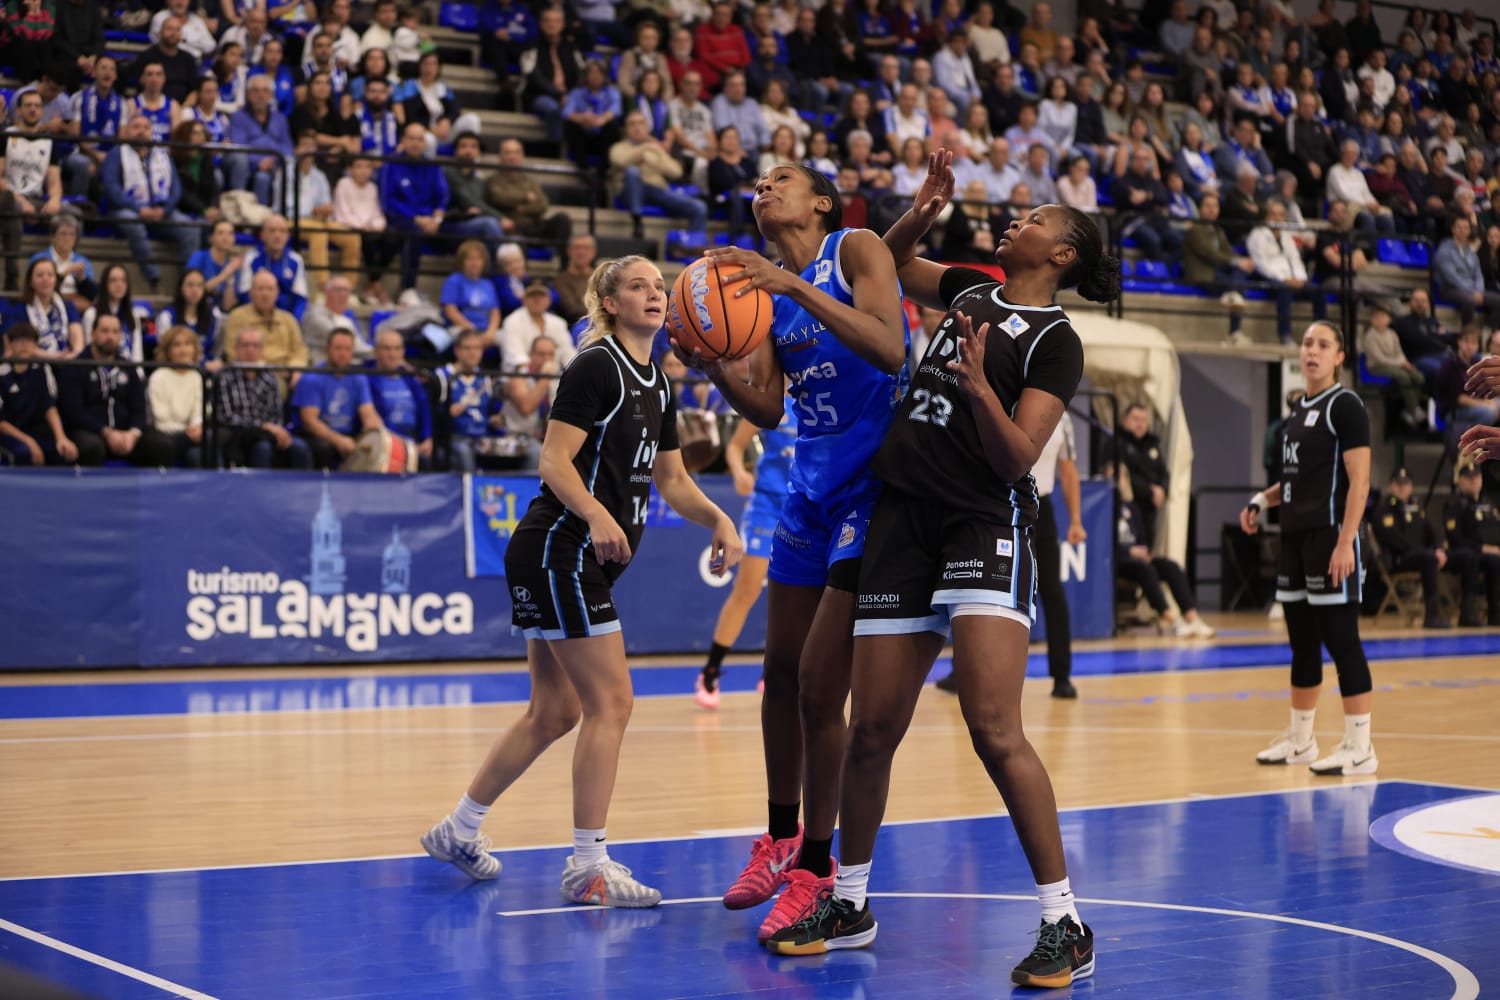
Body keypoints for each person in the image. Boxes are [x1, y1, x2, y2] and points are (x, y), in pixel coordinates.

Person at [763, 151, 1116, 989]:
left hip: (982, 521)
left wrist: (978, 390)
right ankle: (848, 901)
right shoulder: (968, 286)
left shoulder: (1056, 341)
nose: (1016, 222)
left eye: (1034, 220)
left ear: (1062, 254)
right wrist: (917, 215)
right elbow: (875, 271)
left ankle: (1065, 921)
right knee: (873, 727)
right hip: (901, 517)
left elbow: (1018, 454)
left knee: (994, 728)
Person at [420, 256, 742, 907]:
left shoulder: (659, 381)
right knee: (612, 704)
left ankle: (458, 829)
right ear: (610, 301)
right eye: (637, 286)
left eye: (659, 287)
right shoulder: (598, 365)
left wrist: (718, 518)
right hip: (559, 549)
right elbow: (553, 460)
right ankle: (588, 865)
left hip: (565, 556)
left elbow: (674, 480)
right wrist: (596, 513)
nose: (653, 294)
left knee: (555, 711)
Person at [680, 162, 908, 945]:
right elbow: (772, 406)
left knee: (819, 686)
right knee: (778, 674)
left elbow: (888, 347)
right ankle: (779, 840)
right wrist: (714, 367)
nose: (762, 188)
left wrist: (794, 285)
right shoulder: (762, 294)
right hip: (808, 487)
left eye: (781, 178)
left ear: (821, 200)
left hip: (875, 488)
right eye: (757, 184)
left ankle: (816, 866)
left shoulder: (856, 249)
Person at [1242, 320, 1376, 777]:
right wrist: (1263, 500)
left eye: (1323, 344)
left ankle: (1360, 746)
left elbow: (1360, 482)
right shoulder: (1297, 411)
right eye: (1306, 343)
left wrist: (1345, 543)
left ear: (1340, 356)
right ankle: (1301, 740)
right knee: (1302, 642)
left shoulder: (1346, 406)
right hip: (1295, 539)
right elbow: (1298, 479)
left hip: (1330, 537)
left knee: (1342, 639)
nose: (1312, 351)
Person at [934, 412, 1089, 697]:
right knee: (975, 586)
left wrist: (1077, 520)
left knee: (1051, 591)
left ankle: (1062, 676)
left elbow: (1068, 470)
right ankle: (961, 671)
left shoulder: (1061, 418)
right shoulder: (1003, 400)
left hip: (1038, 506)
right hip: (999, 503)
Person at [695, 401, 796, 708]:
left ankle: (777, 672)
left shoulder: (820, 398)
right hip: (767, 504)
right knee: (748, 589)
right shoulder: (774, 402)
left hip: (802, 507)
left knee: (796, 595)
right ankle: (710, 671)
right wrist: (739, 472)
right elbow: (736, 447)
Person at [101, 112, 201, 294]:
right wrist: (139, 209)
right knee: (132, 223)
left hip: (161, 212)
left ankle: (186, 283)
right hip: (128, 210)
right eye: (136, 127)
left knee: (191, 229)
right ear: (128, 131)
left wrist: (165, 210)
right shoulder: (116, 154)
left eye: (146, 128)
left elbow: (175, 189)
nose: (141, 132)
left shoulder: (163, 155)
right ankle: (154, 278)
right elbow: (111, 188)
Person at [58, 314, 175, 468]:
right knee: (91, 447)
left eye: (115, 332)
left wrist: (133, 434)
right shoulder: (76, 366)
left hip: (126, 435)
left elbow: (139, 409)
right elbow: (73, 412)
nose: (110, 336)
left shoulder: (129, 368)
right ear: (93, 334)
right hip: (91, 432)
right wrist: (106, 432)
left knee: (161, 445)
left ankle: (148, 491)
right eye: (105, 331)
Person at [216, 325, 313, 469]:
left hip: (269, 432)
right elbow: (227, 416)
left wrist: (275, 429)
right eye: (245, 345)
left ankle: (304, 491)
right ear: (236, 348)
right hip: (238, 434)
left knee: (300, 448)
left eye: (255, 346)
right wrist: (262, 426)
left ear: (261, 350)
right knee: (263, 447)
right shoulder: (225, 375)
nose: (250, 350)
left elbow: (276, 413)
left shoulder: (269, 376)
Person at [290, 327, 384, 468]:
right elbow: (309, 421)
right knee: (325, 449)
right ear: (327, 350)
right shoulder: (312, 378)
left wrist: (377, 433)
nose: (342, 354)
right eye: (338, 348)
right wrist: (338, 440)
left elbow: (368, 412)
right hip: (315, 435)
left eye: (347, 349)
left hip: (347, 433)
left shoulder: (358, 378)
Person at [0, 322, 78, 466]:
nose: (24, 345)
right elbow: (1, 422)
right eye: (19, 340)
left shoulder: (42, 370)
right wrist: (29, 442)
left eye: (29, 341)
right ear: (10, 344)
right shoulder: (2, 372)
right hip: (9, 435)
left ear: (35, 345)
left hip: (36, 432)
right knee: (23, 453)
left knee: (64, 452)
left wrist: (61, 438)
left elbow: (49, 407)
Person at [1442, 463, 1500, 626]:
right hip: (1461, 553)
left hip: (1488, 553)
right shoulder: (1454, 504)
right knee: (1471, 558)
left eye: (1476, 477)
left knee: (1495, 561)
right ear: (1459, 481)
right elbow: (1455, 538)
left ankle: (1495, 612)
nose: (1473, 481)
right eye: (1469, 478)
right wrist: (1481, 548)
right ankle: (1467, 612)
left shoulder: (1488, 504)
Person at [366, 329, 433, 465]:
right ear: (376, 352)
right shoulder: (368, 379)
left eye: (397, 349)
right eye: (387, 349)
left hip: (414, 438)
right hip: (387, 440)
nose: (392, 354)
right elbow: (374, 418)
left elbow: (424, 410)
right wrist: (406, 444)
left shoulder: (410, 379)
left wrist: (428, 437)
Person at [439, 329, 500, 473]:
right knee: (464, 452)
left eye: (477, 348)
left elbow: (493, 410)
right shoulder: (442, 376)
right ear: (457, 351)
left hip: (482, 437)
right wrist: (446, 412)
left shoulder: (485, 378)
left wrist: (496, 419)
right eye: (467, 348)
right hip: (455, 437)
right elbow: (429, 412)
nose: (473, 353)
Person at [147, 325, 205, 468]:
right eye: (177, 345)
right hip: (165, 435)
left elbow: (198, 411)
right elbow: (161, 420)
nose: (183, 350)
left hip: (190, 435)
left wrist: (197, 427)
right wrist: (188, 431)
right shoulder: (158, 377)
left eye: (188, 344)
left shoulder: (197, 376)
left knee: (201, 452)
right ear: (167, 351)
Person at [499, 282, 575, 373]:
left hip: (554, 374)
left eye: (541, 296)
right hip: (521, 375)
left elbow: (568, 353)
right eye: (532, 296)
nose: (537, 300)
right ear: (524, 300)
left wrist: (576, 370)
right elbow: (516, 356)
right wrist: (539, 372)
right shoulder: (512, 321)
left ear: (549, 301)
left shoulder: (558, 323)